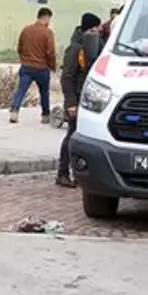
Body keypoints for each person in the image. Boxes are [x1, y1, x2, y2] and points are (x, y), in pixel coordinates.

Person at [55, 12, 102, 187]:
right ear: (89, 28)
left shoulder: (94, 45)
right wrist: (71, 103)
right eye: (95, 28)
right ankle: (62, 173)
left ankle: (78, 173)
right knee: (71, 136)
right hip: (76, 99)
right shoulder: (75, 49)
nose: (98, 31)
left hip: (88, 99)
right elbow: (67, 76)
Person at [8, 7, 57, 124]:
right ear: (47, 17)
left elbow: (20, 47)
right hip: (42, 68)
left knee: (21, 90)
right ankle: (45, 116)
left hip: (26, 67)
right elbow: (50, 52)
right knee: (44, 92)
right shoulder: (48, 33)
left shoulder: (26, 30)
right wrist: (52, 66)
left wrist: (24, 59)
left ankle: (14, 111)